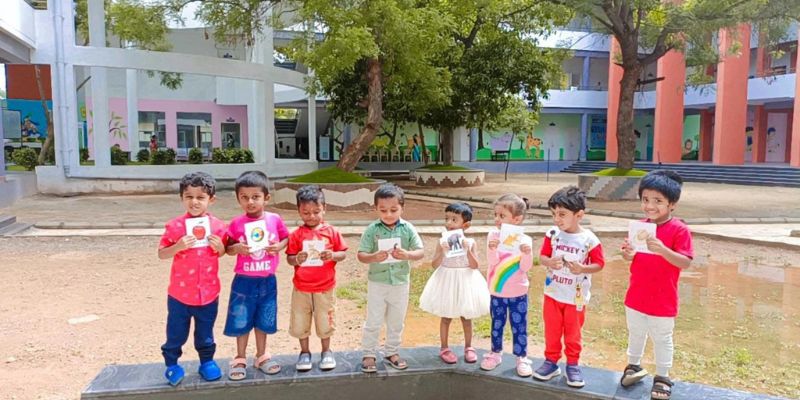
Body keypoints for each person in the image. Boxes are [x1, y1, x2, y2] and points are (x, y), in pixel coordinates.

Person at [619, 170, 694, 400]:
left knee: (662, 338)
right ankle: (633, 366)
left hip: (663, 298)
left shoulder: (679, 230)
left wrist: (662, 249)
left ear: (672, 204)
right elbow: (631, 257)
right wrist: (628, 253)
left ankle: (662, 376)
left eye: (658, 201)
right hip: (636, 295)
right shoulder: (640, 227)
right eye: (645, 199)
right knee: (635, 333)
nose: (650, 206)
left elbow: (685, 262)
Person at [157, 172, 227, 386]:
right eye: (189, 197)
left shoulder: (218, 226)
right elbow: (162, 253)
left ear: (211, 200)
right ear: (182, 198)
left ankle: (207, 362)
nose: (194, 202)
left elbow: (222, 252)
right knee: (176, 333)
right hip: (180, 295)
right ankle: (171, 364)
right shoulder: (175, 226)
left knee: (205, 333)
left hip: (208, 293)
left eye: (200, 197)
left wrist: (220, 247)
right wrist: (178, 246)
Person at [533, 186, 605, 388]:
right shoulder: (552, 234)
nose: (557, 219)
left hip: (575, 298)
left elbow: (599, 264)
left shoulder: (590, 240)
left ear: (579, 215)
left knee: (573, 333)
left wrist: (583, 268)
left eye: (562, 214)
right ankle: (551, 362)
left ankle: (572, 365)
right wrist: (549, 262)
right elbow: (543, 256)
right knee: (552, 331)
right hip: (552, 294)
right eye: (554, 214)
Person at [224, 171, 289, 380]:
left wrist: (278, 246)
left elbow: (286, 238)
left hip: (267, 280)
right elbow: (227, 248)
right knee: (241, 318)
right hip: (243, 281)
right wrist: (237, 248)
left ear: (266, 198)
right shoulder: (236, 223)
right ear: (238, 199)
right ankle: (240, 357)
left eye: (255, 197)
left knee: (264, 318)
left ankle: (262, 355)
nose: (250, 202)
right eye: (244, 197)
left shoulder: (274, 219)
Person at [357, 183, 425, 373]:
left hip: (401, 282)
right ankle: (369, 353)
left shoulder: (408, 228)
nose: (388, 214)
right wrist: (373, 257)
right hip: (377, 282)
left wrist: (407, 255)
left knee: (397, 320)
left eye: (393, 210)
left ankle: (392, 351)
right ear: (376, 208)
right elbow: (361, 254)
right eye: (383, 210)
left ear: (402, 207)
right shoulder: (372, 229)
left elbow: (420, 251)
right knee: (373, 319)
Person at [285, 185, 348, 372]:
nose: (311, 216)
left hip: (325, 288)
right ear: (299, 211)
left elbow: (343, 253)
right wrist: (297, 259)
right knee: (300, 320)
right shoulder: (296, 235)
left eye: (316, 212)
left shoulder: (332, 232)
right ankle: (304, 352)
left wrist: (333, 255)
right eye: (306, 213)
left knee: (325, 320)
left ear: (324, 208)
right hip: (301, 288)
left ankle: (326, 351)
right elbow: (289, 258)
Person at [419, 202, 490, 364]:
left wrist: (468, 250)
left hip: (466, 281)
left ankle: (469, 347)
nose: (449, 223)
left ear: (466, 225)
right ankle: (444, 347)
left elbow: (475, 265)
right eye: (447, 219)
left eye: (454, 219)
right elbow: (434, 264)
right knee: (446, 316)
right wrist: (443, 252)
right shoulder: (442, 242)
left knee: (466, 317)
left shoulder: (470, 242)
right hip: (447, 281)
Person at [480, 193, 534, 377]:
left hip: (518, 292)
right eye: (495, 215)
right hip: (497, 291)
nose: (497, 219)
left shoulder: (525, 240)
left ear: (516, 219)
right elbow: (492, 262)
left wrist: (527, 254)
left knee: (519, 326)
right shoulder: (493, 236)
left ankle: (521, 357)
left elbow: (525, 267)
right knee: (497, 324)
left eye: (502, 216)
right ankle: (495, 354)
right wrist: (492, 248)